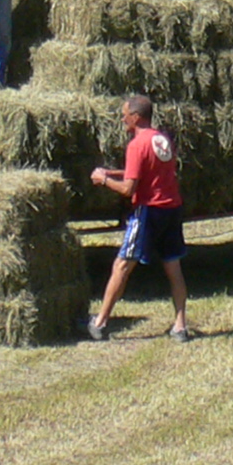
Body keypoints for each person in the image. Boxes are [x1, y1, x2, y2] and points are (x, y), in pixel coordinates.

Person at [87, 95, 190, 343]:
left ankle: (99, 323)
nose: (122, 118)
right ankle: (180, 326)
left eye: (125, 114)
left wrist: (104, 180)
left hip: (148, 213)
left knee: (121, 265)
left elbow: (129, 189)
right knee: (173, 268)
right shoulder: (162, 139)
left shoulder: (136, 144)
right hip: (171, 209)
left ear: (136, 116)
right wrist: (113, 171)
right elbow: (151, 170)